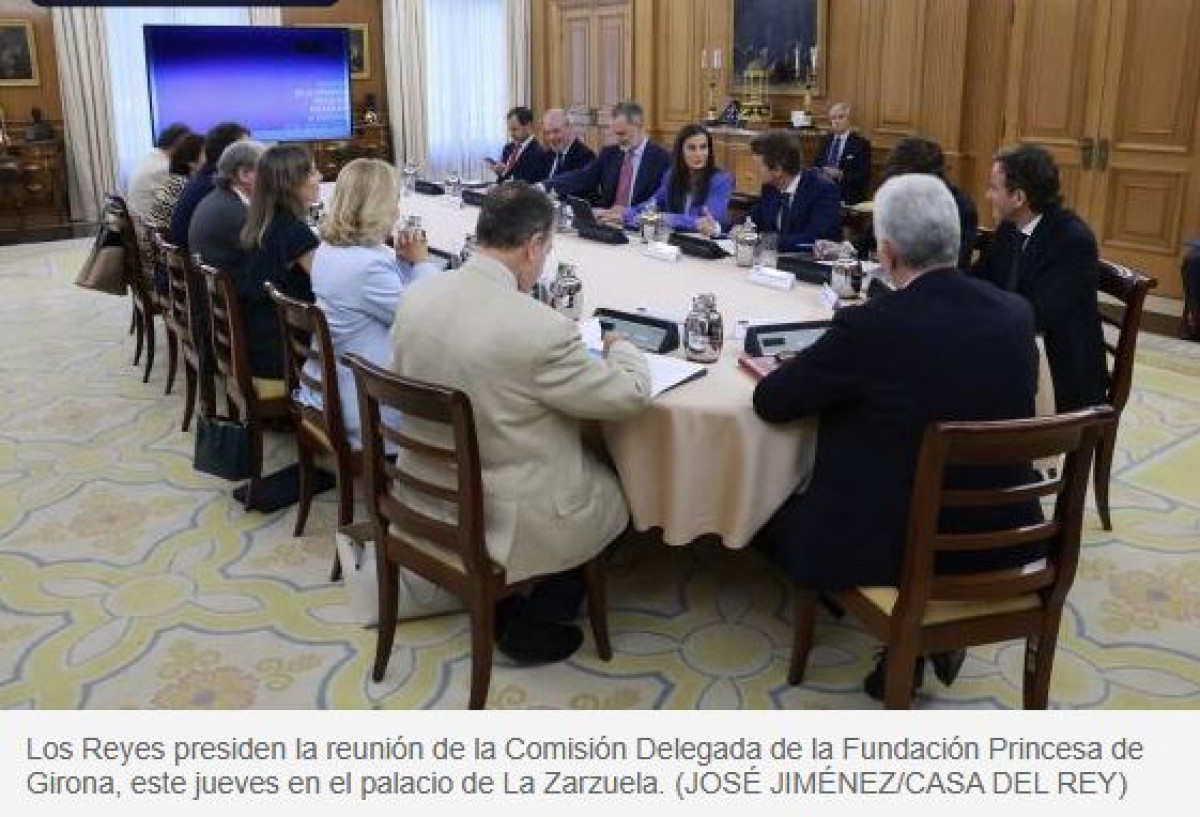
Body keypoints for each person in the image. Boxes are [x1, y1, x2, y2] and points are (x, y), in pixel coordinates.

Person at [752, 174, 1045, 699]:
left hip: (899, 547)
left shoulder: (872, 325)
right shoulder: (1016, 314)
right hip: (1005, 534)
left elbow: (772, 403)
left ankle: (903, 635)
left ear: (885, 253)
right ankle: (920, 647)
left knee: (770, 511)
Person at [391, 182, 652, 664]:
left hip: (423, 489)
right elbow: (629, 397)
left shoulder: (417, 295)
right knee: (623, 490)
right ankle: (536, 617)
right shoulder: (541, 329)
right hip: (503, 514)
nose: (545, 260)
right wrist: (622, 348)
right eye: (547, 250)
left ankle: (511, 599)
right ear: (533, 246)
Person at [300, 159, 441, 449]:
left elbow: (389, 295)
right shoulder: (367, 265)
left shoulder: (329, 248)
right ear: (376, 206)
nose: (397, 211)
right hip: (364, 402)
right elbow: (422, 317)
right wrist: (422, 263)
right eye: (394, 201)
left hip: (334, 378)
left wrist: (402, 262)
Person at [971, 143, 1107, 412]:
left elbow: (1038, 315)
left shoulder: (1071, 241)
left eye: (994, 188)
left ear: (1019, 197)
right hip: (1017, 352)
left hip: (1059, 374)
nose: (987, 196)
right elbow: (979, 279)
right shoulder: (1010, 228)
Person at [816, 136, 977, 269]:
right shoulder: (898, 196)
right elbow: (870, 239)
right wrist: (843, 249)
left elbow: (954, 267)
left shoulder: (959, 208)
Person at [236, 145, 322, 379]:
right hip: (284, 355)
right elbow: (328, 286)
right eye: (312, 173)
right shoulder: (293, 232)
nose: (319, 178)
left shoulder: (263, 223)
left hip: (262, 342)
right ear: (291, 183)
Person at [545, 100, 671, 225]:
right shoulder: (609, 153)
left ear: (640, 126)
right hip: (606, 222)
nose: (618, 140)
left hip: (639, 225)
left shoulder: (662, 159)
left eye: (622, 134)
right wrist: (544, 186)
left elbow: (659, 202)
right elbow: (582, 176)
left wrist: (627, 214)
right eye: (615, 134)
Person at [626, 123, 734, 237]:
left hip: (706, 241)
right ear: (680, 152)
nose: (699, 154)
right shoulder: (671, 176)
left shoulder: (721, 180)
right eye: (691, 148)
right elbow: (652, 204)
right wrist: (626, 213)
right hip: (674, 240)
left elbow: (707, 222)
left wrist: (665, 218)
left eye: (703, 147)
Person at [745, 130, 842, 251]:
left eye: (758, 166)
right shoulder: (770, 188)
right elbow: (752, 219)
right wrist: (737, 228)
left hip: (809, 261)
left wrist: (762, 241)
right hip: (773, 259)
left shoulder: (823, 190)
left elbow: (813, 239)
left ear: (778, 170)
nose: (752, 171)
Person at [189, 139, 266, 277]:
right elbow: (271, 259)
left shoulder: (218, 199)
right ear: (244, 174)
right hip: (235, 288)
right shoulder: (238, 214)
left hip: (214, 286)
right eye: (268, 171)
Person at [171, 122, 251, 249]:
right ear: (229, 153)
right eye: (247, 149)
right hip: (195, 255)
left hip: (189, 255)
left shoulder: (203, 177)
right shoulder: (215, 186)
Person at [126, 123, 191, 218]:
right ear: (177, 145)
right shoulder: (163, 167)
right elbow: (184, 200)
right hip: (151, 223)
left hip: (144, 218)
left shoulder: (151, 158)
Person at [144, 133, 204, 233]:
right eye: (205, 154)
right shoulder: (186, 185)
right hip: (167, 240)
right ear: (192, 163)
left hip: (156, 239)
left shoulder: (175, 180)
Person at [815, 102, 872, 204]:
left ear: (848, 120)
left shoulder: (860, 144)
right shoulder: (825, 140)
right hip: (822, 193)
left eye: (840, 117)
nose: (836, 121)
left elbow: (864, 176)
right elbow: (816, 166)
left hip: (847, 195)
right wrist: (821, 171)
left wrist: (840, 175)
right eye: (833, 118)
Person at [487, 106, 545, 184]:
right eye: (509, 130)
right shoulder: (508, 148)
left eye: (514, 129)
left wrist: (506, 172)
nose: (511, 134)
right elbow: (502, 179)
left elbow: (528, 182)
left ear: (528, 126)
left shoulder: (538, 152)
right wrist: (500, 172)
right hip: (503, 189)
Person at [538, 108, 595, 181]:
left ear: (569, 128)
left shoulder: (585, 157)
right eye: (547, 133)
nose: (551, 137)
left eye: (556, 131)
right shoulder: (547, 155)